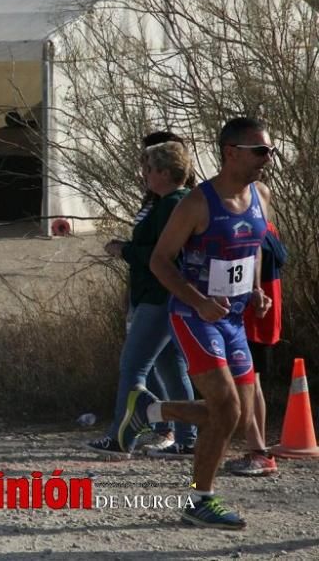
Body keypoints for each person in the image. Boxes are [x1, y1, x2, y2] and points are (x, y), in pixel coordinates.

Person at [120, 116, 275, 530]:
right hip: (194, 316)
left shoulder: (260, 193)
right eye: (260, 151)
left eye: (269, 150)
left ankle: (149, 410)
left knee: (238, 418)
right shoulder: (197, 203)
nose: (267, 158)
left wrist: (256, 290)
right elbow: (159, 261)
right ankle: (200, 499)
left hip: (234, 318)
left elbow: (253, 247)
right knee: (225, 406)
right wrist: (200, 302)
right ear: (231, 153)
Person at [86, 140, 197, 458]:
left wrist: (125, 251)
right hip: (169, 295)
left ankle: (121, 437)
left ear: (164, 172)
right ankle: (187, 438)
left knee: (132, 366)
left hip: (159, 296)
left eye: (148, 169)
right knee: (172, 369)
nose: (144, 175)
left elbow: (164, 254)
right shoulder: (177, 201)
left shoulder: (171, 204)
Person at [224, 221, 286, 476]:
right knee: (253, 382)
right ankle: (257, 450)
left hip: (251, 316)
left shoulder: (250, 230)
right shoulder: (268, 228)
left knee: (247, 383)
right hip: (264, 316)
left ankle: (258, 452)